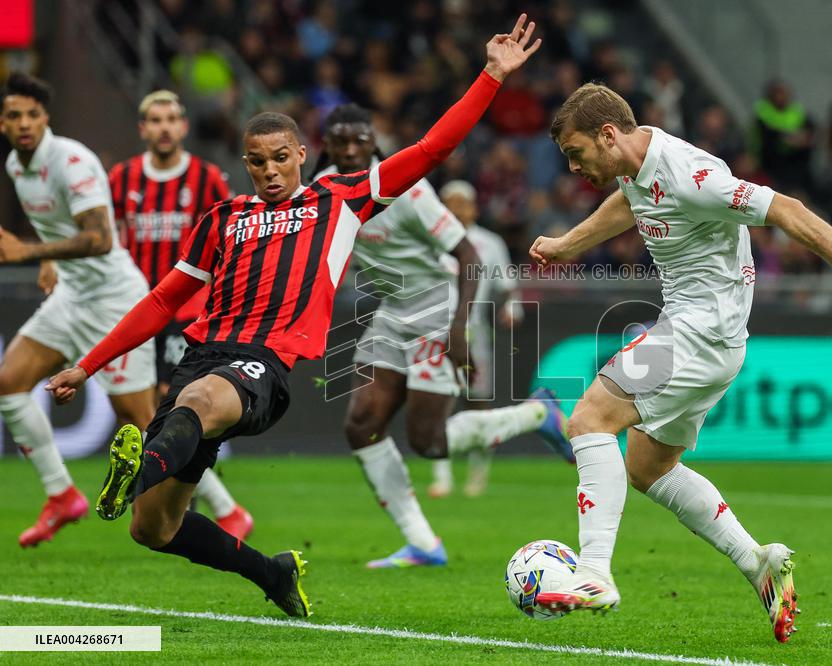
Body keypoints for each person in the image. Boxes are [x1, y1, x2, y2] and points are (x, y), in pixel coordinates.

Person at [45, 14, 542, 616]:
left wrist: (491, 76)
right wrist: (88, 365)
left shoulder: (340, 200)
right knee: (153, 528)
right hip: (203, 357)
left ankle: (136, 471)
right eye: (258, 162)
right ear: (246, 163)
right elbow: (160, 301)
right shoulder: (222, 218)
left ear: (302, 154)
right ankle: (272, 572)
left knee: (196, 402)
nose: (271, 170)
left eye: (281, 157)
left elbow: (432, 148)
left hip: (261, 365)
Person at [529, 83, 832, 642]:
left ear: (607, 135)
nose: (574, 167)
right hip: (709, 337)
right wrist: (568, 244)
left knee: (588, 421)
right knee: (647, 468)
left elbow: (787, 210)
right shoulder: (636, 166)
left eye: (576, 153)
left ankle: (595, 574)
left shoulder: (689, 175)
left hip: (697, 333)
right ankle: (757, 562)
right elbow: (631, 202)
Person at [312, 104, 570, 569]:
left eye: (359, 141)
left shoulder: (406, 187)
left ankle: (537, 414)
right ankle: (423, 543)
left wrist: (457, 327)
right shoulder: (322, 189)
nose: (350, 150)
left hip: (436, 310)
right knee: (361, 423)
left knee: (428, 443)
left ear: (373, 143)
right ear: (326, 145)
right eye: (340, 141)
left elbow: (469, 255)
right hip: (392, 311)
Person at [0, 72, 157, 548]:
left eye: (32, 115)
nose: (23, 124)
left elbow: (100, 238)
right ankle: (62, 494)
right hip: (72, 295)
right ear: (2, 123)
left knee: (140, 422)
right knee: (8, 385)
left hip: (114, 299)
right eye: (13, 115)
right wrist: (50, 258)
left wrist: (30, 253)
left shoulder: (71, 161)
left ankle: (227, 510)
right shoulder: (16, 165)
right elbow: (56, 224)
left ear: (45, 118)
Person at [109, 89, 253, 540]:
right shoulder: (122, 178)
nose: (164, 127)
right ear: (143, 128)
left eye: (171, 118)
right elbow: (109, 235)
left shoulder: (207, 178)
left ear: (184, 126)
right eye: (155, 119)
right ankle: (210, 504)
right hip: (138, 308)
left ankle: (223, 508)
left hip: (187, 312)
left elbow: (230, 237)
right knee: (141, 415)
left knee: (170, 410)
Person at [428, 179, 525, 499]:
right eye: (450, 202)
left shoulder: (489, 243)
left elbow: (507, 284)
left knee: (477, 403)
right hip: (434, 330)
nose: (456, 209)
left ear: (474, 208)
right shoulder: (429, 239)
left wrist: (512, 306)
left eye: (462, 202)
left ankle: (478, 473)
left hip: (475, 331)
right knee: (436, 401)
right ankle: (441, 476)